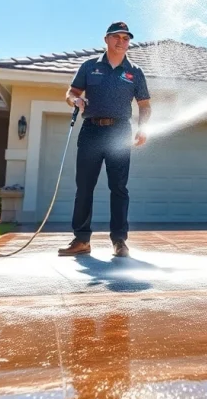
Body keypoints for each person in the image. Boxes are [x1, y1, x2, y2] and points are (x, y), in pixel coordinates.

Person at [58, 21, 151, 258]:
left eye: (126, 38)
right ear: (106, 39)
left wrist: (142, 128)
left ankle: (119, 241)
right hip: (91, 131)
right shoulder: (89, 67)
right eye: (116, 37)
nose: (121, 42)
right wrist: (75, 100)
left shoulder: (135, 72)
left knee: (119, 188)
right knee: (84, 187)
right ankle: (81, 240)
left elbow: (144, 104)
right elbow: (72, 92)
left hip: (120, 132)